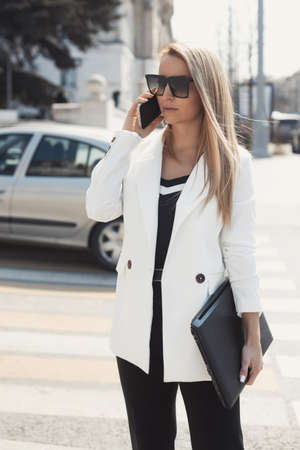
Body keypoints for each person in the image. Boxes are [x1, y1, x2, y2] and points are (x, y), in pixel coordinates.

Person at [85, 42, 264, 450]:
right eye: (158, 82)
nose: (165, 94)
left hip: (201, 329)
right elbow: (98, 207)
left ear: (206, 90)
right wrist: (129, 137)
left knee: (218, 441)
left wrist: (251, 337)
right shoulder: (140, 155)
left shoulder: (232, 163)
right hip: (139, 324)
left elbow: (240, 251)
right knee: (149, 441)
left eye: (179, 84)